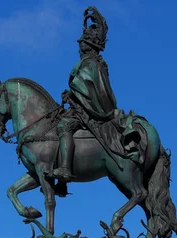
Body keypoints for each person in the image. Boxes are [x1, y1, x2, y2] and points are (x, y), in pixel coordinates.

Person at [53, 7, 117, 182]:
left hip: (90, 111)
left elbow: (93, 89)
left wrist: (74, 93)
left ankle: (65, 169)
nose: (79, 47)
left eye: (82, 44)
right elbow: (85, 86)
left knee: (64, 126)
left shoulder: (92, 64)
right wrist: (72, 94)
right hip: (81, 107)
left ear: (88, 47)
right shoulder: (91, 63)